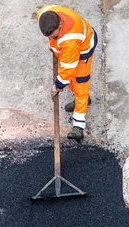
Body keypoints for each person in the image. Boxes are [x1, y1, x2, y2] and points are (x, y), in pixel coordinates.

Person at [37, 5, 98, 141]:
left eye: (55, 36)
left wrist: (58, 85)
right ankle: (83, 100)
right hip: (67, 53)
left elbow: (67, 70)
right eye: (49, 37)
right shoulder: (45, 13)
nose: (53, 39)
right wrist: (54, 45)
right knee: (71, 81)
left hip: (83, 51)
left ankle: (78, 126)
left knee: (81, 84)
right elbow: (66, 68)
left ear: (60, 24)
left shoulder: (69, 39)